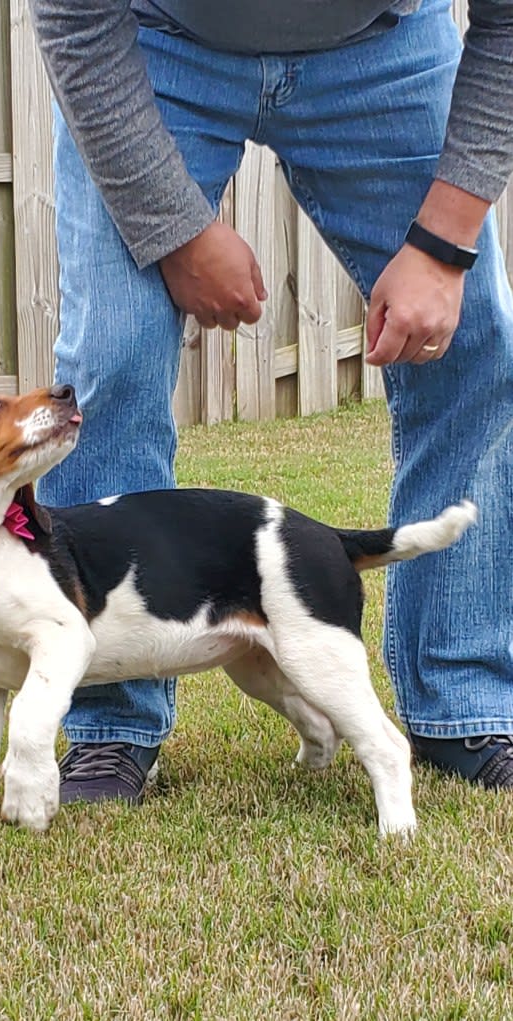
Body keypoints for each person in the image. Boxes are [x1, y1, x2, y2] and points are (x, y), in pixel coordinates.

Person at [30, 0, 513, 801]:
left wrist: (443, 242)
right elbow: (73, 16)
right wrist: (180, 233)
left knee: (474, 347)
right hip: (156, 46)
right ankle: (110, 718)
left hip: (383, 49)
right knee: (110, 359)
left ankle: (459, 697)